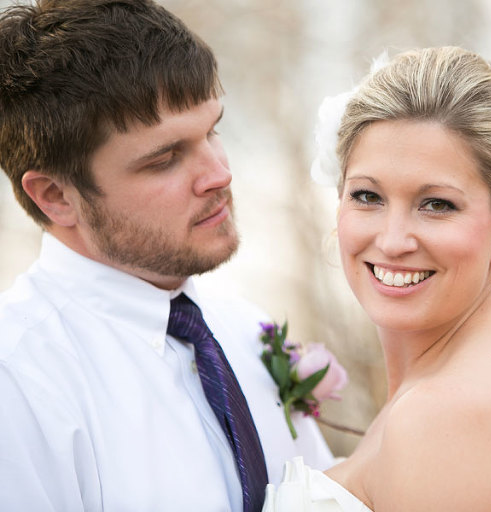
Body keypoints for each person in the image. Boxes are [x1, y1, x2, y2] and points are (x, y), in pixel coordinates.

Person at [0, 0, 333, 510]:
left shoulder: (246, 330)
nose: (219, 173)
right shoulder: (19, 384)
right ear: (55, 196)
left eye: (212, 131)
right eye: (165, 159)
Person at [263, 47, 491, 511]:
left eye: (437, 204)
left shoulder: (448, 419)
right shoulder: (465, 392)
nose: (393, 240)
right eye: (368, 196)